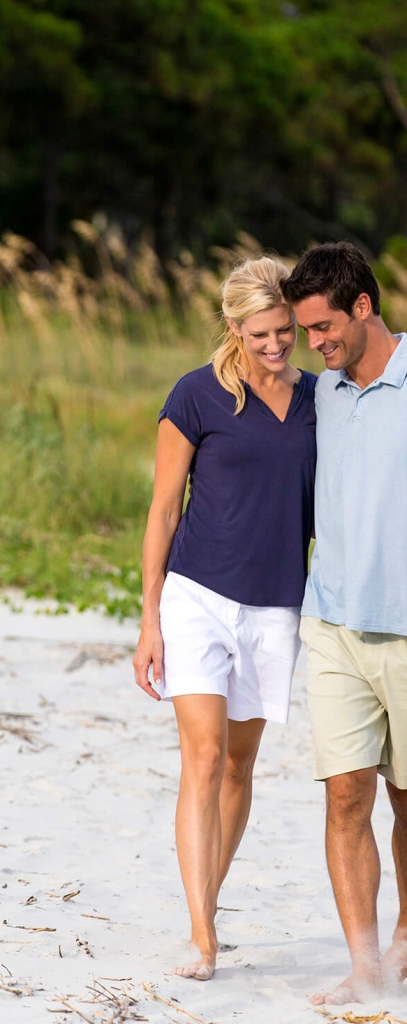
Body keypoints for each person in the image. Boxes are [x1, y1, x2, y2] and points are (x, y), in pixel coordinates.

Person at [132, 256, 316, 981]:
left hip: (276, 604)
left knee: (240, 765)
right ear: (233, 327)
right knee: (203, 758)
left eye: (286, 332)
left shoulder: (317, 401)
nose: (276, 346)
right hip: (197, 595)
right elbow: (162, 509)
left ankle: (210, 898)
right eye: (262, 333)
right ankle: (202, 933)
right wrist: (150, 619)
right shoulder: (196, 396)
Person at [281, 241, 407, 1006]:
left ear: (363, 306)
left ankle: (405, 942)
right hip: (331, 624)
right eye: (306, 332)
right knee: (345, 796)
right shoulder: (320, 390)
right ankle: (364, 965)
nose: (316, 344)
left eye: (325, 327)